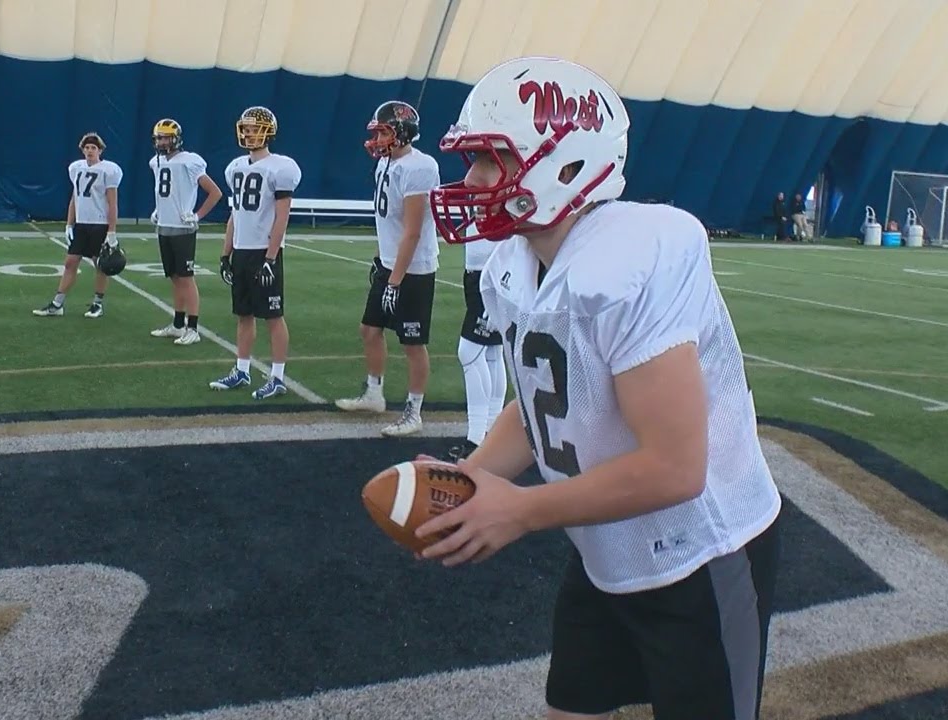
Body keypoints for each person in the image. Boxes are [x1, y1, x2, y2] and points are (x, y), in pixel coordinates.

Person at [417, 56, 783, 720]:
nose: (470, 181)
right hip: (606, 546)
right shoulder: (516, 264)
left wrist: (519, 510)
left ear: (563, 163)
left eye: (489, 161)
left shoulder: (636, 254)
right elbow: (538, 409)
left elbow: (675, 469)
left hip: (701, 553)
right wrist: (467, 478)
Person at [334, 100, 441, 437]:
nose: (377, 138)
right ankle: (374, 394)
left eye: (383, 131)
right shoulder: (386, 164)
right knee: (370, 330)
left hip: (413, 270)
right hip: (390, 264)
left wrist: (395, 281)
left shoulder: (419, 167)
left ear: (402, 131)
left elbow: (413, 230)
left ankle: (414, 411)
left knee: (412, 343)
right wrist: (384, 261)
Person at [209, 106, 302, 400]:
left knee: (273, 315)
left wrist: (271, 257)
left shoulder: (280, 166)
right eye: (246, 128)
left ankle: (277, 377)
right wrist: (226, 253)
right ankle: (242, 369)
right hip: (243, 251)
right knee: (244, 314)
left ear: (268, 131)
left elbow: (282, 216)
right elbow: (235, 214)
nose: (249, 133)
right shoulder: (236, 166)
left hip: (264, 251)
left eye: (254, 128)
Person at [147, 118, 224, 346]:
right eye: (158, 137)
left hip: (183, 229)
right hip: (165, 226)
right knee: (174, 277)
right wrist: (158, 210)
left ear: (176, 138)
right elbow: (165, 192)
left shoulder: (190, 161)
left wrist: (197, 215)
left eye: (165, 137)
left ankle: (193, 328)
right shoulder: (156, 162)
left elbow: (215, 192)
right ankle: (178, 324)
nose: (161, 141)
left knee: (187, 278)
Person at [33, 132, 123, 318]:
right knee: (70, 262)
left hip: (100, 223)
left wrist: (111, 231)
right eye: (87, 148)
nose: (90, 151)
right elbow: (75, 198)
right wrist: (69, 224)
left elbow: (113, 202)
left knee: (101, 265)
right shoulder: (76, 168)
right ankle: (57, 304)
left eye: (93, 148)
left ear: (100, 151)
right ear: (82, 150)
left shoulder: (109, 170)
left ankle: (97, 304)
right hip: (81, 224)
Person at [445, 230, 507, 461]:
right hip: (481, 274)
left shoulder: (502, 198)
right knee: (492, 353)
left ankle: (476, 438)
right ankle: (492, 433)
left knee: (469, 352)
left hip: (491, 276)